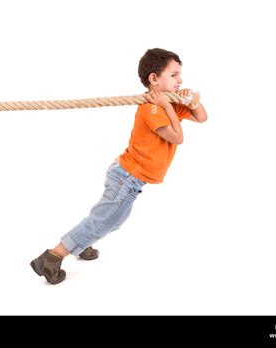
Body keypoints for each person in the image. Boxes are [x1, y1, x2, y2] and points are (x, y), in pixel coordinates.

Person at [30, 48, 208, 284]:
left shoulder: (171, 104)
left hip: (130, 178)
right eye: (174, 75)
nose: (180, 80)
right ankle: (52, 258)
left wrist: (192, 100)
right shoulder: (152, 107)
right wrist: (166, 106)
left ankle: (83, 242)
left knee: (113, 220)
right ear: (153, 79)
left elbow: (202, 117)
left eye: (180, 76)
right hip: (127, 177)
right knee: (102, 221)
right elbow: (177, 137)